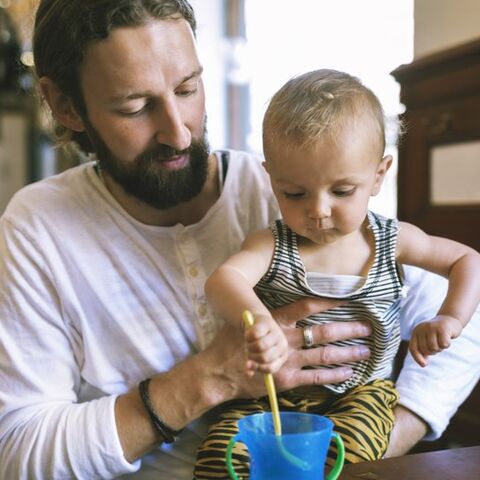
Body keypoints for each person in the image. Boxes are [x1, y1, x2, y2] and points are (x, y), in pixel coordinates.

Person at [0, 1, 478, 479]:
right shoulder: (39, 227)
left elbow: (467, 324)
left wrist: (376, 442)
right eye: (136, 106)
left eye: (188, 88)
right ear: (65, 105)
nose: (179, 133)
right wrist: (209, 379)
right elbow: (17, 451)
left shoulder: (299, 193)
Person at [194, 69, 480, 477]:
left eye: (342, 191)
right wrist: (259, 322)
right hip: (270, 395)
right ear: (271, 179)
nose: (319, 210)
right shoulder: (273, 244)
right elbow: (224, 280)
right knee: (222, 456)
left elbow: (466, 260)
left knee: (349, 461)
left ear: (378, 175)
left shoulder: (392, 240)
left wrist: (449, 317)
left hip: (360, 396)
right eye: (295, 193)